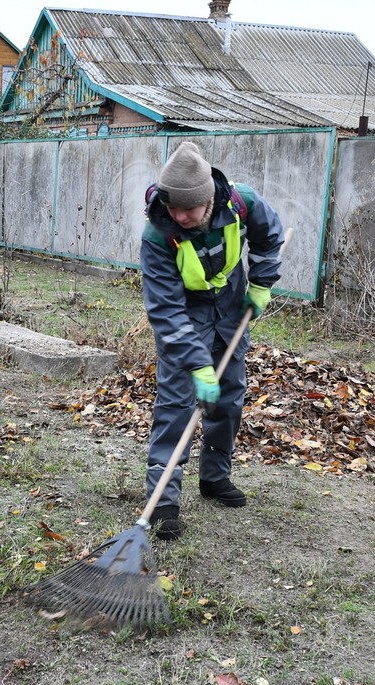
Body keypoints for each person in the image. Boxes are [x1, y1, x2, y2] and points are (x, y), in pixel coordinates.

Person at [140, 141, 286, 540]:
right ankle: (164, 501)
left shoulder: (241, 203)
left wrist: (261, 284)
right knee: (177, 403)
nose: (181, 216)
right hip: (185, 313)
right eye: (175, 208)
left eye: (189, 208)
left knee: (229, 396)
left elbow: (271, 238)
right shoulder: (158, 233)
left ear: (208, 200)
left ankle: (215, 477)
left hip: (231, 306)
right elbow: (165, 311)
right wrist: (195, 362)